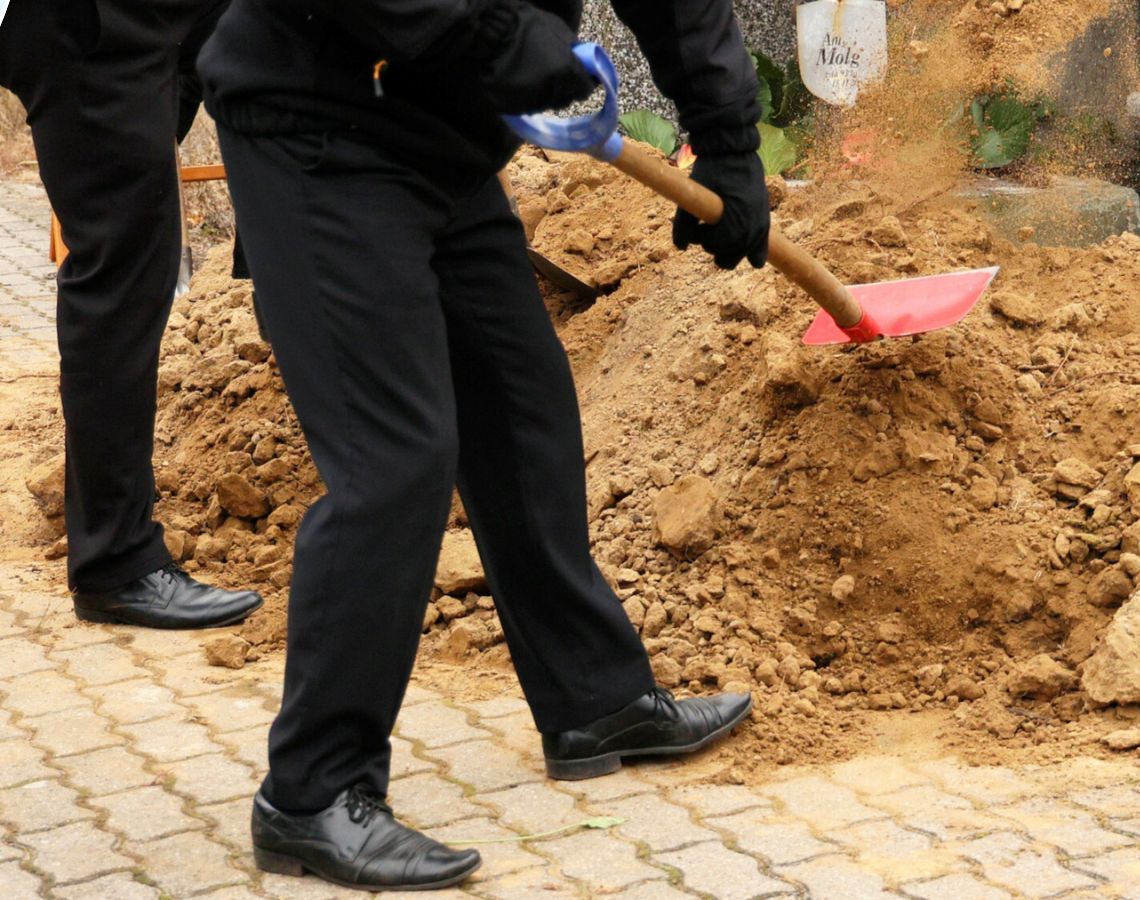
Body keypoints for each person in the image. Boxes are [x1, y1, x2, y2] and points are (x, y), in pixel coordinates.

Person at [199, 0, 769, 890]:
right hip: (319, 129)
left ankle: (596, 703)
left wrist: (727, 137)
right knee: (394, 458)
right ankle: (311, 791)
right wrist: (506, 40)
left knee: (522, 410)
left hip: (446, 138)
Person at [0, 0, 263, 629]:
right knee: (124, 269)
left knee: (271, 74)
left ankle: (280, 283)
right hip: (90, 26)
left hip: (173, 14)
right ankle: (115, 565)